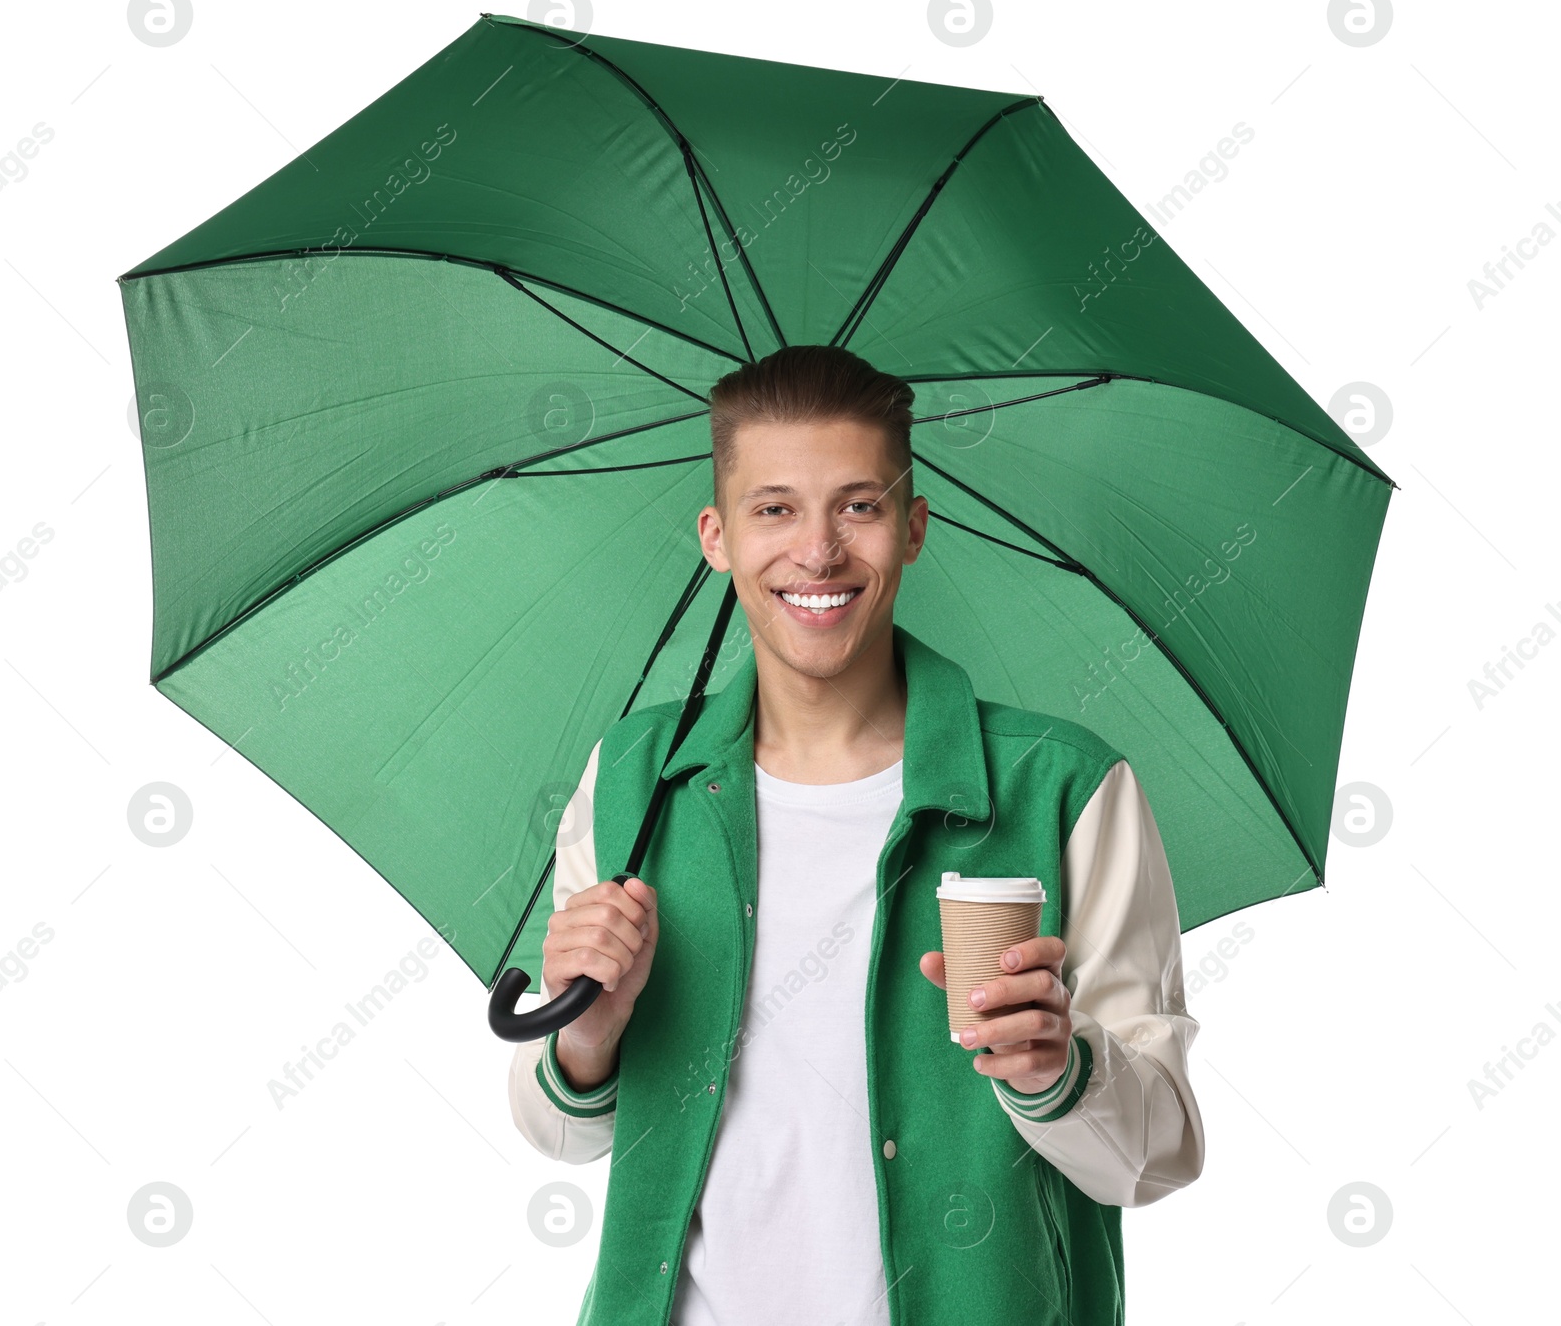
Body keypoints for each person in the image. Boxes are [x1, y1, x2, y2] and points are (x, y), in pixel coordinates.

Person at [509, 345, 1204, 1325]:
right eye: (774, 507)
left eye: (859, 505)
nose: (819, 551)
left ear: (913, 527)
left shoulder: (1064, 787)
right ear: (716, 536)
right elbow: (560, 1132)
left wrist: (1060, 1066)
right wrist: (584, 1029)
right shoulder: (631, 777)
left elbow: (1160, 1150)